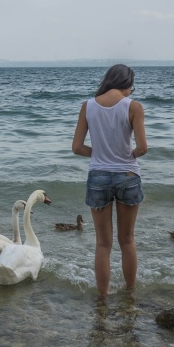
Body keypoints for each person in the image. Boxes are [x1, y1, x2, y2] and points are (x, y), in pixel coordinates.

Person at [72, 64, 148, 298]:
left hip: (98, 177)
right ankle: (130, 293)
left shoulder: (88, 106)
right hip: (127, 176)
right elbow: (143, 148)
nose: (131, 92)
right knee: (127, 240)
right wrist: (128, 155)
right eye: (131, 87)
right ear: (127, 83)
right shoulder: (133, 107)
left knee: (103, 244)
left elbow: (76, 148)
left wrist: (99, 154)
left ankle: (103, 297)